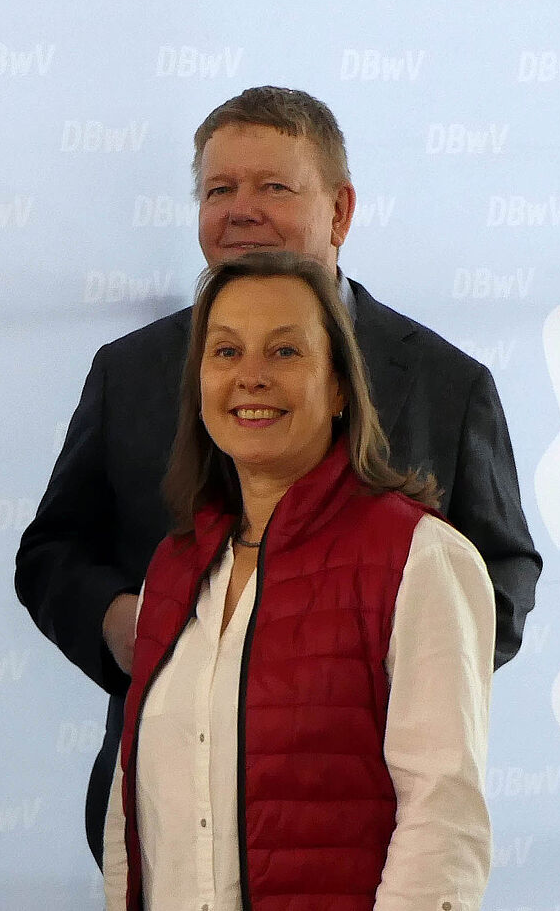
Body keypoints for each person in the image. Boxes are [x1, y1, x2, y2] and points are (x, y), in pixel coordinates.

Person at [16, 86, 539, 862]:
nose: (240, 210)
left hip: (360, 818)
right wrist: (122, 623)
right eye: (219, 190)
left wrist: (375, 671)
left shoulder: (444, 383)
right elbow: (52, 551)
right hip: (160, 816)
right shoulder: (128, 372)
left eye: (274, 187)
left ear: (340, 212)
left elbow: (501, 574)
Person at [103, 251, 494, 911]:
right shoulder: (174, 568)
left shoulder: (420, 558)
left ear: (340, 386)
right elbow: (130, 815)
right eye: (225, 352)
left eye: (285, 352)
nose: (250, 376)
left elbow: (442, 818)